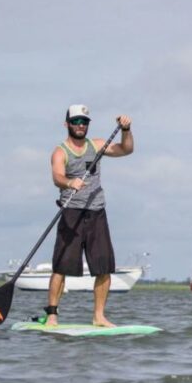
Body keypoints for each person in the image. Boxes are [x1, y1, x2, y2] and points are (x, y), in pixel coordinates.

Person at [45, 104, 133, 327]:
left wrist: (126, 129)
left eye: (84, 122)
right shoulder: (60, 152)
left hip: (97, 212)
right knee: (61, 267)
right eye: (75, 122)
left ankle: (99, 316)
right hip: (71, 212)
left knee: (104, 267)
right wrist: (69, 182)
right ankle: (53, 314)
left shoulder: (96, 145)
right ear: (67, 124)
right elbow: (57, 176)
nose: (80, 125)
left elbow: (126, 149)